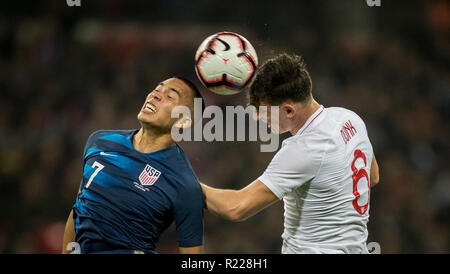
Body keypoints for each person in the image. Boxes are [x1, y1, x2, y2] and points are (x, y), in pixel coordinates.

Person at [201, 53, 380, 254]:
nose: (259, 118)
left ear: (288, 111)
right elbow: (372, 176)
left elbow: (236, 208)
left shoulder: (302, 149)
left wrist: (184, 183)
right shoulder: (350, 118)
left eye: (264, 111)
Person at [62, 77, 205, 254]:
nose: (155, 95)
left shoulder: (185, 183)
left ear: (183, 121)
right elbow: (79, 209)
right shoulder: (100, 141)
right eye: (157, 89)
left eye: (170, 96)